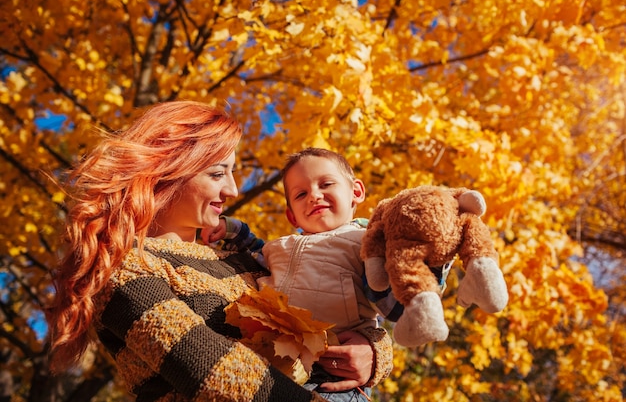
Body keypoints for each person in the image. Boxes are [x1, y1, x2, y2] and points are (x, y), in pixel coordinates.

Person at [45, 101, 393, 402]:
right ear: (166, 171)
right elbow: (216, 376)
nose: (233, 189)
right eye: (217, 173)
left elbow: (319, 311)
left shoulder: (237, 258)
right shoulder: (125, 267)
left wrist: (373, 351)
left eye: (233, 172)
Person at [204, 148, 446, 401]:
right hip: (272, 362)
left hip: (332, 375)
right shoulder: (281, 246)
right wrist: (230, 229)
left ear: (356, 191)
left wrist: (430, 266)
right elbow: (253, 251)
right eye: (301, 194)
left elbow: (392, 304)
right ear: (291, 215)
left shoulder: (365, 244)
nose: (314, 196)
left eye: (326, 184)